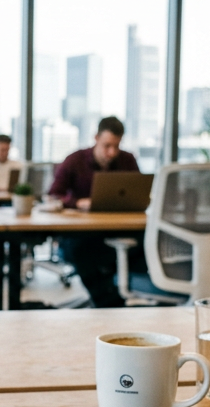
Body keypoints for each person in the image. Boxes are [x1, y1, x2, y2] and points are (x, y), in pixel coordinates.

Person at [46, 116, 145, 308]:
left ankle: (114, 297)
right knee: (82, 251)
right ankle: (109, 303)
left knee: (146, 244)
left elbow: (138, 191)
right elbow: (53, 195)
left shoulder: (127, 160)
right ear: (96, 138)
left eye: (116, 146)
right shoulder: (75, 160)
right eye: (107, 145)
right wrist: (77, 202)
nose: (112, 152)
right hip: (83, 233)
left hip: (120, 228)